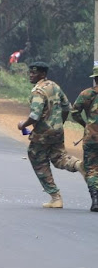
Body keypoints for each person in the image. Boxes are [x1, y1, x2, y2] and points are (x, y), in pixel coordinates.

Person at [18, 61, 86, 208]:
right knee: (59, 157)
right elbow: (67, 107)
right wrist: (59, 123)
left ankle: (55, 197)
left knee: (37, 159)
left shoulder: (38, 91)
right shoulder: (54, 86)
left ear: (42, 74)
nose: (31, 75)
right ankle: (78, 164)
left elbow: (34, 116)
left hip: (42, 133)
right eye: (30, 72)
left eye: (34, 73)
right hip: (57, 131)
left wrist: (22, 124)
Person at [70, 66, 98, 212]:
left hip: (91, 138)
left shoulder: (86, 94)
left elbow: (74, 112)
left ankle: (95, 199)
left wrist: (85, 124)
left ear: (94, 78)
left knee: (92, 169)